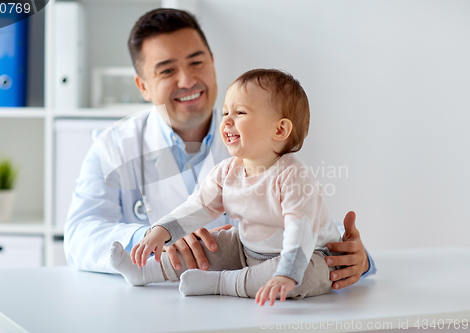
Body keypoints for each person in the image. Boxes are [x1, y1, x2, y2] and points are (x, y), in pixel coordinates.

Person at [64, 8, 376, 290]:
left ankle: (223, 282)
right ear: (143, 85)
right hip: (164, 308)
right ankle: (149, 272)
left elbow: (302, 217)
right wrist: (152, 239)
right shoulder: (113, 145)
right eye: (167, 70)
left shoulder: (262, 140)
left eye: (196, 62)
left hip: (251, 302)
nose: (187, 80)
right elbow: (80, 233)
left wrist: (356, 257)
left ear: (212, 64)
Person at [110, 68, 343, 306]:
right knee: (211, 245)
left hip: (308, 255)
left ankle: (220, 283)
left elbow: (300, 230)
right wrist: (161, 231)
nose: (227, 121)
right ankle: (144, 272)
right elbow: (199, 206)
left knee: (302, 276)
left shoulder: (294, 176)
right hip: (248, 249)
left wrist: (286, 274)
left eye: (240, 112)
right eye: (225, 112)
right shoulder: (227, 171)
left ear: (280, 130)